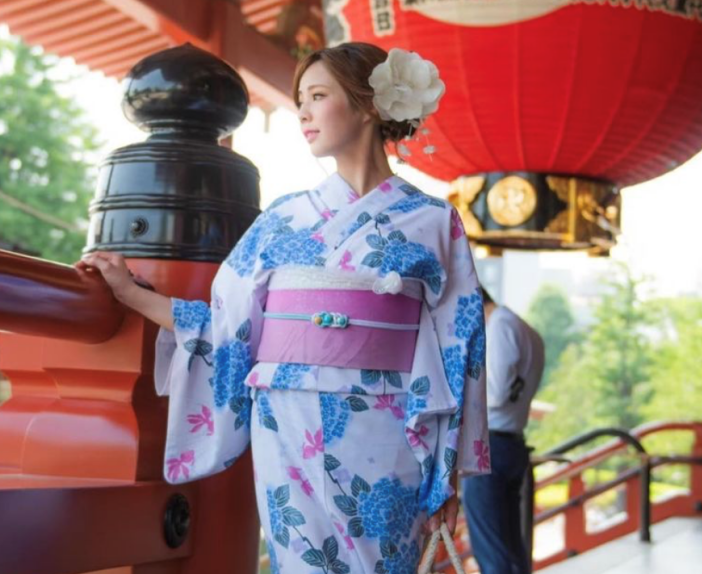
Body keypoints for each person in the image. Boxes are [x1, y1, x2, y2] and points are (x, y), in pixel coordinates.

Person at [79, 42, 489, 574]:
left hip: (388, 432)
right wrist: (133, 294)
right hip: (287, 424)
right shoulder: (283, 218)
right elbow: (229, 331)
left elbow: (461, 350)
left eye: (318, 96)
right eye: (300, 100)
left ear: (368, 104)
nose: (303, 112)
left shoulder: (434, 222)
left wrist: (447, 476)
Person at [462, 287, 545, 574]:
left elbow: (496, 393)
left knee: (492, 549)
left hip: (491, 445)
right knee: (510, 547)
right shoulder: (524, 329)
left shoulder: (499, 327)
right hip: (511, 442)